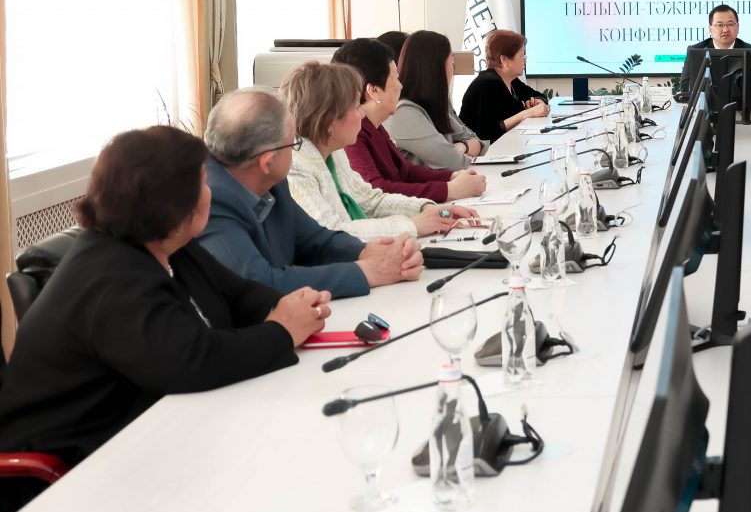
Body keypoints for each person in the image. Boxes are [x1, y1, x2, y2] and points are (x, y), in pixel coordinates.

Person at [0, 127, 329, 474]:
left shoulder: (167, 245)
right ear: (174, 207)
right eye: (203, 183)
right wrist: (282, 332)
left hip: (146, 437)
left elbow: (239, 293)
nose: (211, 192)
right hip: (64, 473)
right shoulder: (110, 277)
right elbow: (193, 361)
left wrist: (292, 306)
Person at [198, 87, 423, 298]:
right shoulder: (210, 199)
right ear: (267, 161)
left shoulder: (271, 182)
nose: (297, 150)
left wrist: (367, 252)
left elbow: (316, 240)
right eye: (293, 143)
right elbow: (259, 282)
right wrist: (367, 272)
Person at [281, 62, 477, 240]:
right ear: (329, 119)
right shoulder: (296, 167)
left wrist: (431, 210)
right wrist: (413, 225)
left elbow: (371, 201)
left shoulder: (334, 152)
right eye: (356, 106)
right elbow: (331, 233)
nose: (362, 114)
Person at [386, 30, 483, 170]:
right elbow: (455, 163)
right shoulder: (404, 112)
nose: (453, 69)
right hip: (436, 184)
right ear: (436, 68)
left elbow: (478, 142)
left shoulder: (432, 105)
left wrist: (461, 146)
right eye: (451, 61)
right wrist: (459, 150)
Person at [457, 29, 550, 142]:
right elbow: (487, 133)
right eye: (522, 55)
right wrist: (527, 113)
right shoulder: (487, 84)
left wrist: (538, 102)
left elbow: (540, 96)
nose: (525, 60)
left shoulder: (512, 81)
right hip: (479, 149)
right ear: (505, 60)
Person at [680, 4, 751, 98]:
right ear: (710, 30)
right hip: (707, 104)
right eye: (720, 25)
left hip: (741, 103)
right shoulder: (696, 51)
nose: (725, 30)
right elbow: (685, 87)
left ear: (738, 28)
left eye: (730, 24)